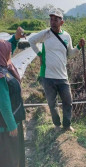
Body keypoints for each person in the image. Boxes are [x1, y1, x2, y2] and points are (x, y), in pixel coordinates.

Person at [28, 9, 85, 132]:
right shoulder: (46, 34)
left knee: (68, 101)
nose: (52, 22)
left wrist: (79, 47)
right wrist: (39, 54)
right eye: (51, 19)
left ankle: (67, 125)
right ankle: (57, 125)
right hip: (47, 76)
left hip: (62, 76)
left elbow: (70, 54)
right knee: (52, 104)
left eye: (56, 19)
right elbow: (31, 41)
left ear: (62, 22)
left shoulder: (66, 36)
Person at [0, 27, 26, 167]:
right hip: (5, 130)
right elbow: (3, 102)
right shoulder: (0, 75)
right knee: (9, 160)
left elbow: (7, 47)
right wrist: (11, 125)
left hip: (12, 124)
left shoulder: (4, 64)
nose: (10, 52)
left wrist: (15, 38)